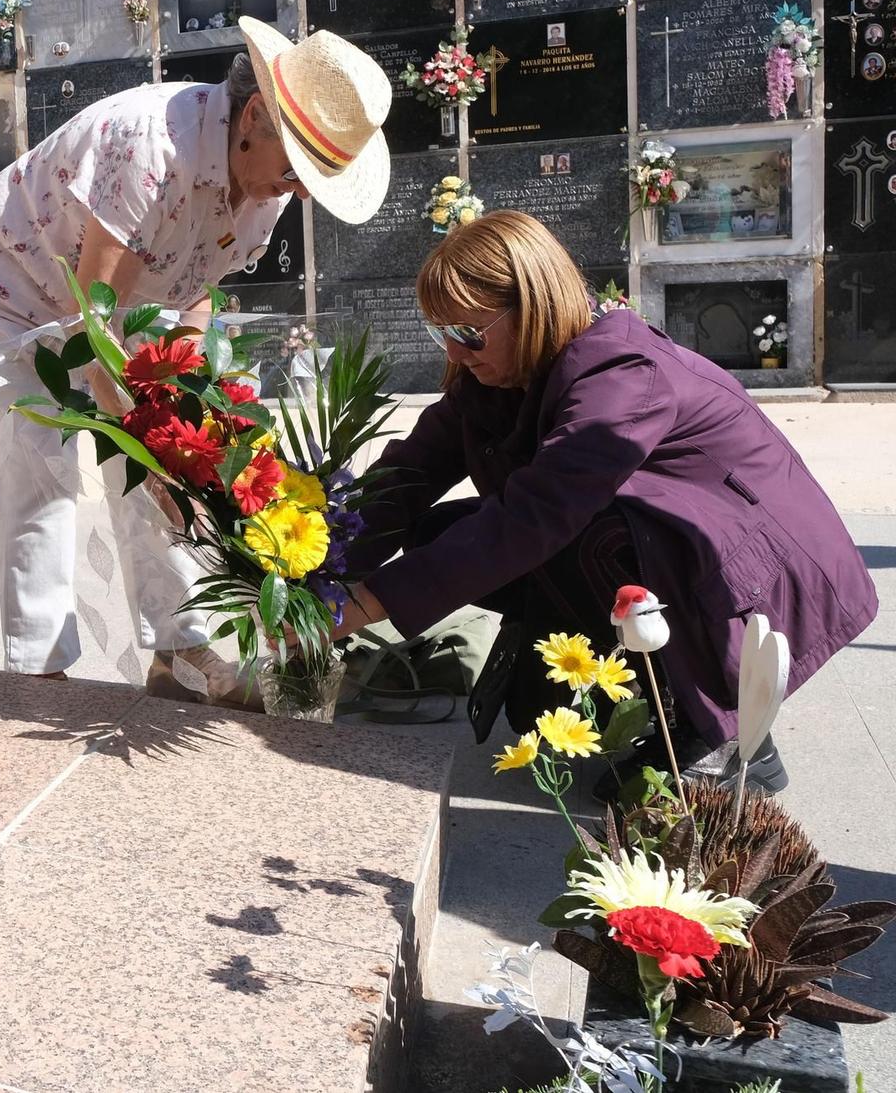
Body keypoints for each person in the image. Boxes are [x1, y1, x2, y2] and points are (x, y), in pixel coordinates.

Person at [0, 16, 392, 687]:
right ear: (254, 114)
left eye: (306, 183)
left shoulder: (267, 185)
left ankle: (178, 652)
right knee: (40, 458)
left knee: (167, 453)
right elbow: (92, 318)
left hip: (122, 298)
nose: (293, 191)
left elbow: (196, 291)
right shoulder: (151, 146)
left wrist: (186, 421)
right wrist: (144, 438)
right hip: (4, 286)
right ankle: (38, 672)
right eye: (294, 171)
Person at [338, 212, 876, 792]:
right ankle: (624, 685)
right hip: (679, 550)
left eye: (469, 333)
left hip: (755, 568)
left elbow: (538, 512)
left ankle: (723, 729)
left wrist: (367, 603)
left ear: (535, 305)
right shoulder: (495, 376)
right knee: (441, 530)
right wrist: (321, 571)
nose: (454, 350)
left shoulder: (619, 371)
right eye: (440, 332)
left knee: (595, 537)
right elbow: (409, 474)